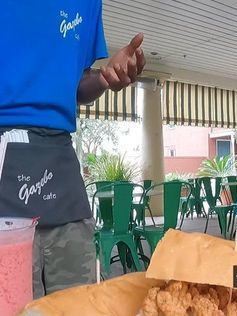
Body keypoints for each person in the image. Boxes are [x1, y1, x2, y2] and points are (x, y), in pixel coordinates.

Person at [0, 6, 146, 297]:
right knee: (12, 312)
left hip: (62, 167)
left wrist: (104, 79)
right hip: (5, 158)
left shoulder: (88, 3)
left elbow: (77, 84)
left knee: (77, 307)